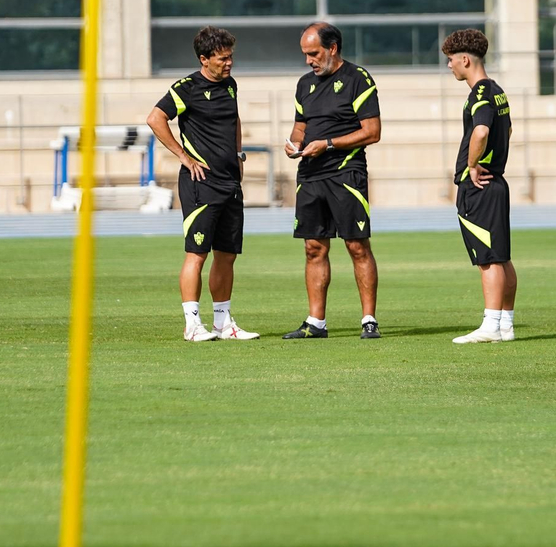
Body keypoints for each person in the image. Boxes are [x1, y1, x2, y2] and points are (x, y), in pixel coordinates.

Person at [144, 25, 259, 342]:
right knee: (198, 254)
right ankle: (192, 324)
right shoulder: (187, 88)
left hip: (229, 182)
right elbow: (155, 118)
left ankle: (223, 323)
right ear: (204, 58)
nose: (229, 63)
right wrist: (183, 156)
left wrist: (238, 155)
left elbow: (234, 119)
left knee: (227, 254)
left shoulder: (231, 85)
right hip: (200, 183)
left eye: (231, 57)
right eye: (222, 58)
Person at [281, 22, 382, 340]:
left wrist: (327, 144)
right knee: (313, 248)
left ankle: (369, 320)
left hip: (346, 173)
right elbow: (300, 126)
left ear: (333, 48)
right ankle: (316, 323)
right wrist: (294, 144)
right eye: (305, 55)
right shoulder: (303, 84)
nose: (309, 60)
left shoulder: (358, 78)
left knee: (356, 245)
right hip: (310, 175)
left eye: (313, 53)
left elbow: (372, 132)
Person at [443, 29, 517, 343]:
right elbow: (509, 129)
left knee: (487, 258)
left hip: (480, 186)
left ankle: (490, 326)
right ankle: (505, 325)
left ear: (464, 60)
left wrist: (473, 165)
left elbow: (482, 131)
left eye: (450, 61)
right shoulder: (498, 90)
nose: (449, 67)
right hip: (495, 181)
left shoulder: (481, 94)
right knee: (501, 256)